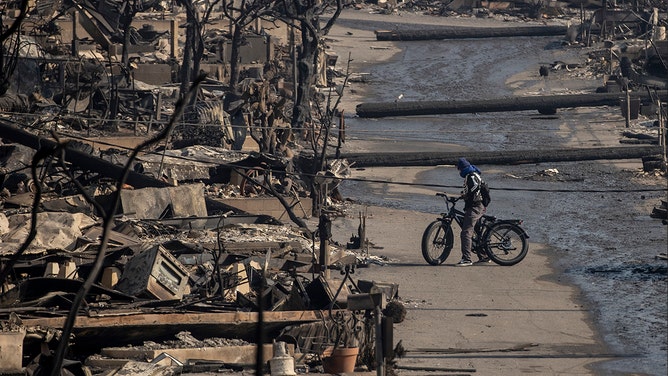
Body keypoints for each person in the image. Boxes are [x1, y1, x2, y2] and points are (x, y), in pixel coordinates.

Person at [455, 158, 488, 266]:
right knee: (477, 231)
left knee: (466, 232)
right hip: (479, 205)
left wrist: (467, 195)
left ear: (462, 168)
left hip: (475, 206)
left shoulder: (471, 175)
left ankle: (467, 259)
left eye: (459, 169)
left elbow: (474, 187)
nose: (459, 172)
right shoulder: (474, 174)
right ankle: (484, 256)